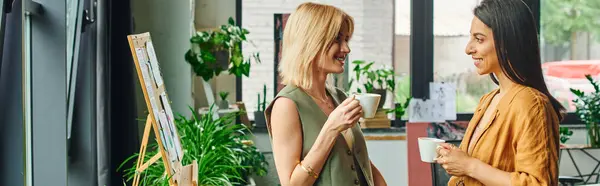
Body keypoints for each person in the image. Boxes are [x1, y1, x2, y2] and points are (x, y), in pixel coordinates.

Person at [435, 0, 563, 185]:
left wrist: (470, 166)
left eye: (479, 39)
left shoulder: (532, 104)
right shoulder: (488, 100)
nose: (468, 49)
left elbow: (537, 183)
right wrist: (456, 158)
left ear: (507, 42)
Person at [264, 2, 387, 186]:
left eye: (346, 39)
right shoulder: (286, 105)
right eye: (337, 39)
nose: (346, 49)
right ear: (310, 42)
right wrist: (331, 129)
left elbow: (360, 162)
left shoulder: (340, 97)